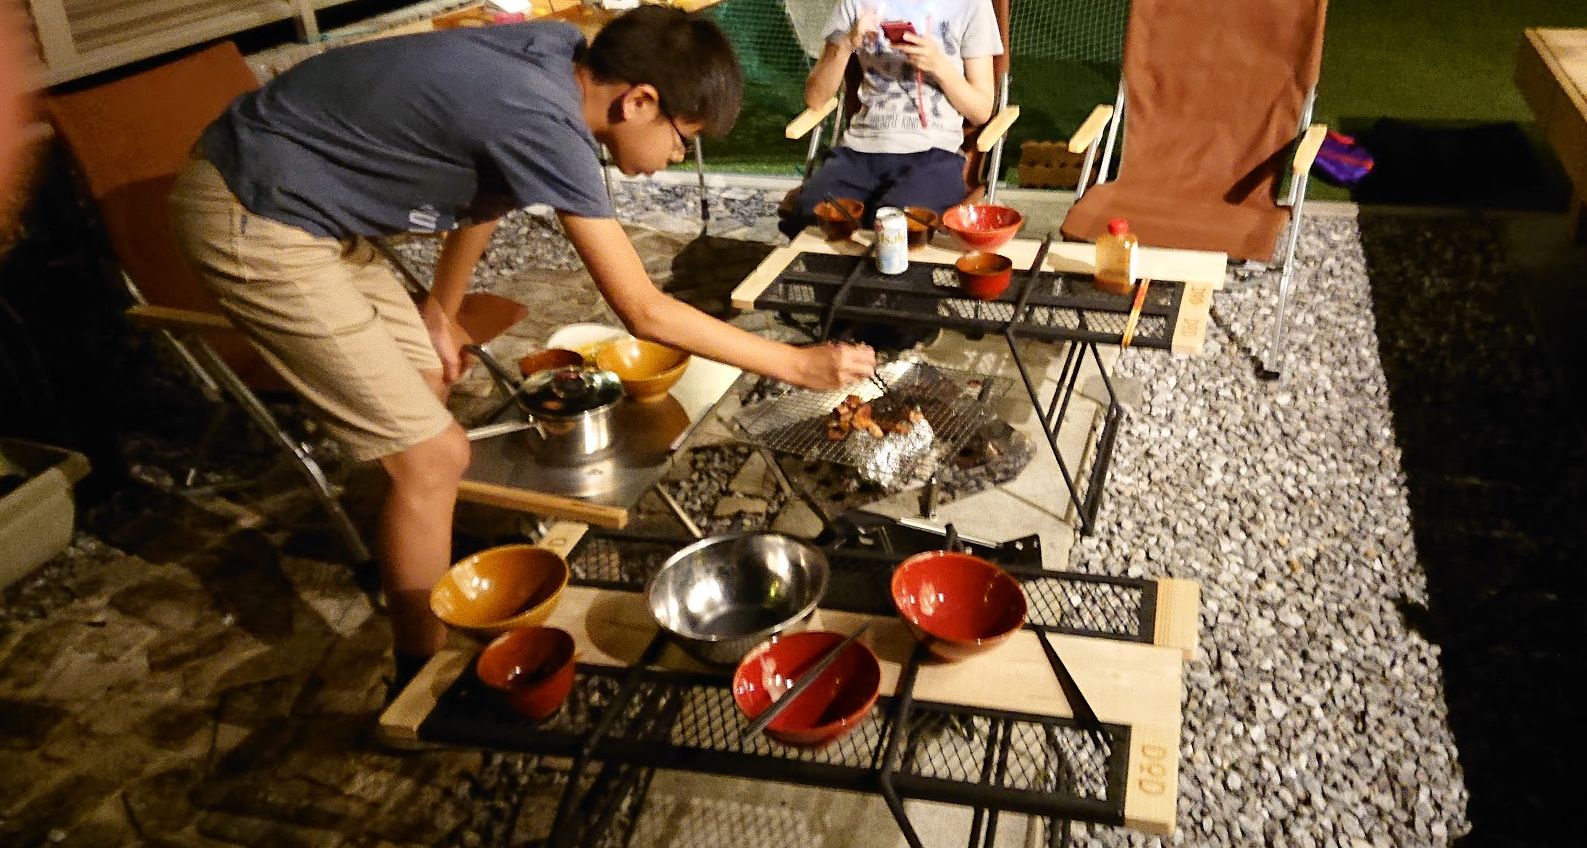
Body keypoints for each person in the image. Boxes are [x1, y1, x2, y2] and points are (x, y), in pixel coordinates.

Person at [168, 7, 876, 689]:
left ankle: (405, 560)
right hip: (256, 211)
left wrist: (441, 312)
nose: (671, 158)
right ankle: (419, 678)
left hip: (311, 204)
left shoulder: (562, 58)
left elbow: (492, 186)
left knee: (427, 376)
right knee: (435, 455)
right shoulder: (544, 119)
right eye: (679, 137)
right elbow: (643, 310)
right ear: (638, 102)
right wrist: (795, 363)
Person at [778, 0, 1001, 240]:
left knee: (898, 227)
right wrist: (846, 43)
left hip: (932, 156)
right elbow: (815, 98)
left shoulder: (971, 4)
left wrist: (939, 67)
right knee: (811, 214)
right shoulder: (856, 2)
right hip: (858, 152)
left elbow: (980, 110)